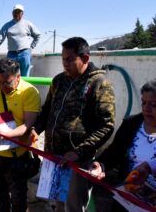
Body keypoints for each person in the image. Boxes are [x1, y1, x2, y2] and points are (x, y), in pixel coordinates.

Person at [35, 37, 115, 212]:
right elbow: (47, 109)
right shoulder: (58, 81)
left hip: (76, 162)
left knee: (73, 207)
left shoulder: (99, 83)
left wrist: (78, 153)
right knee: (56, 204)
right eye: (63, 59)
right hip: (54, 157)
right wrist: (35, 130)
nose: (65, 63)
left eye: (70, 59)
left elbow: (106, 125)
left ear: (85, 58)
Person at [0, 57, 41, 211]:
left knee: (18, 198)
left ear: (18, 77)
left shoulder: (29, 92)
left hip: (17, 155)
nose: (2, 86)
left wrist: (8, 133)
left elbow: (28, 124)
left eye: (7, 82)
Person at [89, 79, 156, 211]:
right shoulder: (131, 124)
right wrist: (100, 166)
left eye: (153, 104)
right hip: (127, 198)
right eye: (143, 103)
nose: (146, 108)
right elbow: (114, 152)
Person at [0, 4, 41, 76]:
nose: (17, 14)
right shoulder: (7, 25)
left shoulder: (28, 24)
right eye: (15, 12)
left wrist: (31, 48)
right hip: (11, 54)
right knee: (10, 75)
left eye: (19, 12)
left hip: (25, 54)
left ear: (22, 13)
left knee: (25, 76)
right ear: (12, 13)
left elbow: (38, 35)